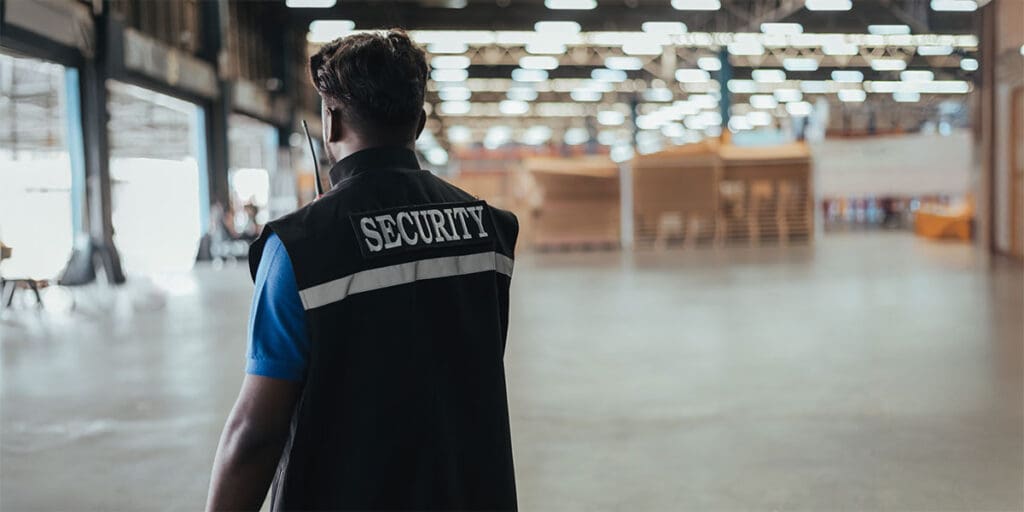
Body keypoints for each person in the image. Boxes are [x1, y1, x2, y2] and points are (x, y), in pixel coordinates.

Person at [206, 29, 519, 511]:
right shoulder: (489, 230)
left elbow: (255, 435)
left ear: (329, 122)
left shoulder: (298, 248)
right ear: (419, 122)